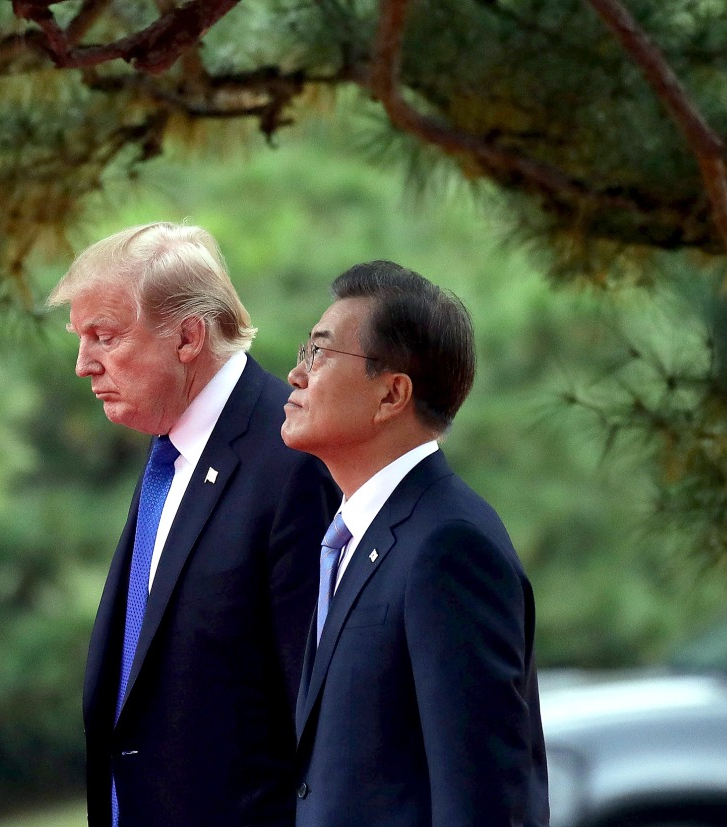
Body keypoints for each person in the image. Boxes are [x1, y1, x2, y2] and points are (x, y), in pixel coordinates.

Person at [48, 222, 339, 827]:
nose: (83, 365)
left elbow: (320, 720)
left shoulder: (292, 460)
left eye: (103, 336)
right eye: (81, 338)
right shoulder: (170, 450)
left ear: (187, 336)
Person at [282, 260, 549, 827]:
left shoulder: (449, 546)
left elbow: (484, 798)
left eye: (319, 354)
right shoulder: (357, 536)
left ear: (392, 394)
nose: (295, 375)